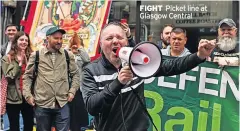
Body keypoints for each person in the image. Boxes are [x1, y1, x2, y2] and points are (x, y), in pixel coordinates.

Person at [80, 22, 216, 131]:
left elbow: (172, 66)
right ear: (101, 44)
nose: (115, 41)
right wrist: (118, 83)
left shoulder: (136, 62)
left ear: (126, 42)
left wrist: (199, 56)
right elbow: (92, 106)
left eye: (120, 37)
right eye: (109, 38)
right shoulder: (90, 71)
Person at [22, 26, 80, 131]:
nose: (59, 41)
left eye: (61, 38)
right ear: (48, 38)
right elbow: (27, 77)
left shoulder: (68, 55)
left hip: (62, 102)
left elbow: (76, 74)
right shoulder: (37, 55)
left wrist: (72, 92)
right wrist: (28, 95)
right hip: (42, 103)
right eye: (56, 38)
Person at [1, 31, 34, 131]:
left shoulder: (32, 57)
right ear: (16, 41)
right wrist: (19, 64)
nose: (24, 42)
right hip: (13, 97)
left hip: (28, 96)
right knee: (14, 126)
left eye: (26, 40)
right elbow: (9, 77)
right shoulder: (7, 58)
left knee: (29, 125)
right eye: (21, 40)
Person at [67, 32, 90, 131]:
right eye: (74, 44)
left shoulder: (82, 54)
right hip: (68, 87)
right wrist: (69, 48)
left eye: (77, 43)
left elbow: (87, 60)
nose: (75, 46)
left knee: (79, 112)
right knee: (70, 113)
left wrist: (79, 48)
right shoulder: (67, 53)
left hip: (80, 88)